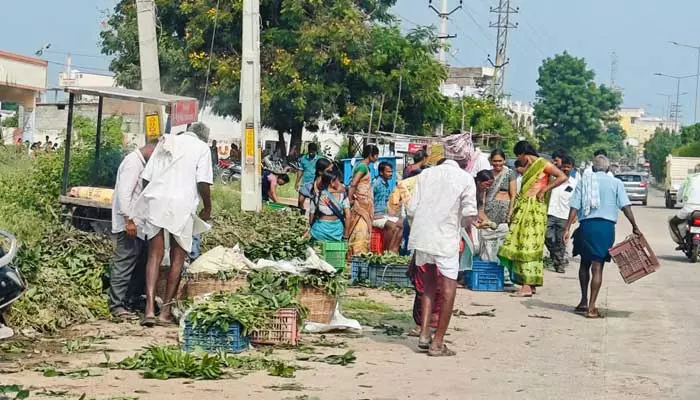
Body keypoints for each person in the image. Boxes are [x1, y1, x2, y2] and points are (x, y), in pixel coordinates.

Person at [135, 123, 213, 327]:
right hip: (182, 204)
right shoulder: (202, 148)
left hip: (157, 199)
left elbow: (146, 179)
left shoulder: (166, 141)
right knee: (178, 257)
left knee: (154, 255)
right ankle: (166, 312)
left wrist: (150, 200)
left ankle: (150, 309)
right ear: (203, 137)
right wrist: (207, 208)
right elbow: (203, 183)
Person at [408, 133, 478, 357]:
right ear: (465, 157)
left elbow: (411, 209)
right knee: (448, 289)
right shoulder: (465, 179)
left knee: (427, 285)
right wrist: (467, 226)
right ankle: (437, 342)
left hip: (423, 237)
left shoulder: (426, 174)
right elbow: (469, 214)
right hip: (446, 237)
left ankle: (424, 334)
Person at [564, 155, 642, 318]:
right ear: (608, 169)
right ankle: (592, 308)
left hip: (586, 226)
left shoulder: (584, 182)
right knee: (597, 266)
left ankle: (583, 301)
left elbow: (574, 207)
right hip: (605, 228)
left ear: (593, 168)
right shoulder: (616, 183)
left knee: (584, 264)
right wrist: (635, 226)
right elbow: (625, 206)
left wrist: (566, 228)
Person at [498, 141, 567, 297]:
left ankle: (527, 286)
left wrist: (545, 189)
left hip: (534, 208)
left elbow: (562, 177)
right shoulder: (529, 166)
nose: (519, 160)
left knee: (527, 245)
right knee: (520, 243)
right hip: (524, 207)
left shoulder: (543, 164)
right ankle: (529, 282)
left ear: (523, 154)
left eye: (518, 156)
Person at [109, 143, 157, 320]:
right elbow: (124, 194)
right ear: (151, 149)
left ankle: (131, 301)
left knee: (138, 263)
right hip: (129, 223)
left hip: (137, 225)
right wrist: (128, 220)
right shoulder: (132, 163)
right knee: (124, 263)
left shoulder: (139, 163)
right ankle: (117, 306)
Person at [545, 155, 578, 273]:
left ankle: (559, 264)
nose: (565, 169)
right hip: (550, 213)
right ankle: (557, 257)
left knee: (560, 240)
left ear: (573, 168)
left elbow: (577, 202)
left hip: (565, 216)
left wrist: (575, 216)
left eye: (568, 167)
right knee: (547, 237)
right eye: (564, 166)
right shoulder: (553, 180)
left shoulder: (575, 184)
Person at [347, 144, 379, 257]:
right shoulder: (362, 167)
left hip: (365, 204)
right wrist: (350, 199)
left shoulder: (365, 166)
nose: (377, 158)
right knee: (360, 229)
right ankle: (357, 254)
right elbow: (354, 183)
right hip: (360, 205)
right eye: (376, 155)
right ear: (371, 155)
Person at [308, 170, 350, 241]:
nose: (339, 183)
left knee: (318, 250)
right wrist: (346, 235)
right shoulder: (343, 196)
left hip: (319, 231)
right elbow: (348, 216)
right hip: (337, 232)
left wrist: (312, 227)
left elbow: (311, 215)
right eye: (338, 181)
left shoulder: (317, 196)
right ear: (332, 182)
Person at [373, 162, 403, 252]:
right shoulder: (376, 183)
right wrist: (373, 215)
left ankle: (393, 249)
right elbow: (369, 200)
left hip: (383, 214)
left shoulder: (386, 184)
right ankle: (386, 251)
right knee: (392, 226)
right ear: (381, 172)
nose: (391, 174)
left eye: (391, 171)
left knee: (402, 224)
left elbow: (386, 201)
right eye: (388, 172)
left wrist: (392, 212)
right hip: (375, 216)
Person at [482, 150, 517, 225]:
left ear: (504, 160)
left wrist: (510, 212)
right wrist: (482, 211)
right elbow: (483, 194)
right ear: (491, 161)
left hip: (505, 209)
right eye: (495, 161)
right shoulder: (487, 174)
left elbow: (513, 195)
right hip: (489, 209)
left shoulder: (510, 173)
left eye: (500, 161)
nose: (497, 163)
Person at [668, 165, 700, 247]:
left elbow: (680, 192)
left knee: (672, 222)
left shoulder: (690, 179)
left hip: (689, 208)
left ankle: (681, 242)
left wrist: (678, 200)